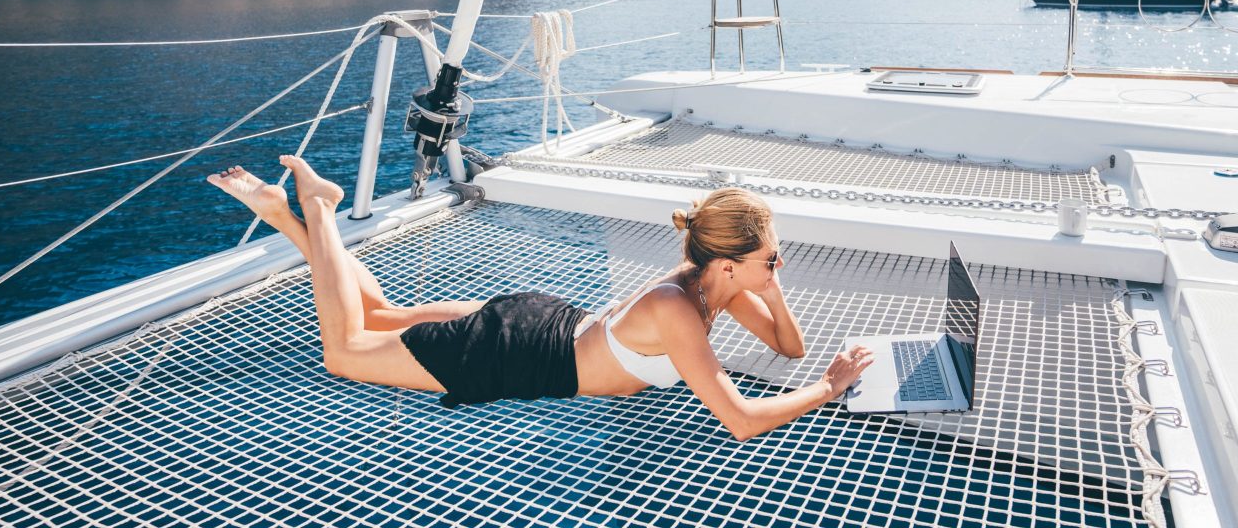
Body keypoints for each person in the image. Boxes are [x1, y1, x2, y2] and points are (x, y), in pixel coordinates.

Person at [209, 157, 874, 440]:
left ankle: (290, 221)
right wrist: (828, 387)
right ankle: (318, 212)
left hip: (541, 318)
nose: (777, 265)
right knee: (346, 349)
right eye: (770, 257)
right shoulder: (681, 308)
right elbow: (740, 419)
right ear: (728, 262)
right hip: (516, 353)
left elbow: (789, 344)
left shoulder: (713, 285)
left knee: (379, 317)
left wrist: (772, 280)